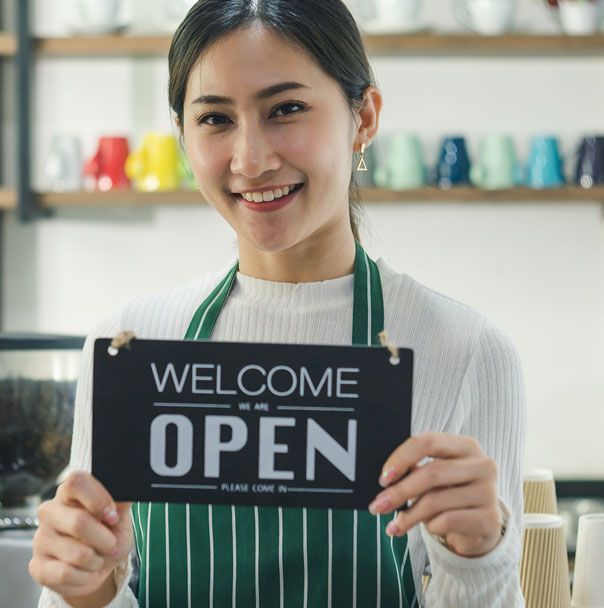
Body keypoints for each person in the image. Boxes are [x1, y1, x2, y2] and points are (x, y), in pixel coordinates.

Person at [30, 1, 526, 606]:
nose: (251, 159)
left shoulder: (466, 351)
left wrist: (478, 556)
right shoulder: (130, 344)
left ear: (363, 117)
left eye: (286, 109)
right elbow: (83, 587)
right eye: (215, 119)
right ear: (183, 136)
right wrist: (84, 589)